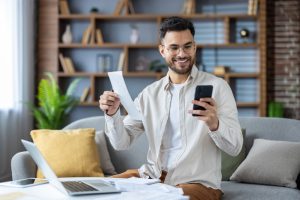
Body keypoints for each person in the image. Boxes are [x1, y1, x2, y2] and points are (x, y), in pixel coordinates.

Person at [99, 16, 243, 200]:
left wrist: (215, 124)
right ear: (162, 50)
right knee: (100, 190)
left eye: (187, 46)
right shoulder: (149, 94)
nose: (182, 54)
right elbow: (121, 142)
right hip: (151, 177)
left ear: (195, 47)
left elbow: (235, 148)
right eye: (174, 47)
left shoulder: (218, 87)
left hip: (197, 184)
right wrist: (112, 115)